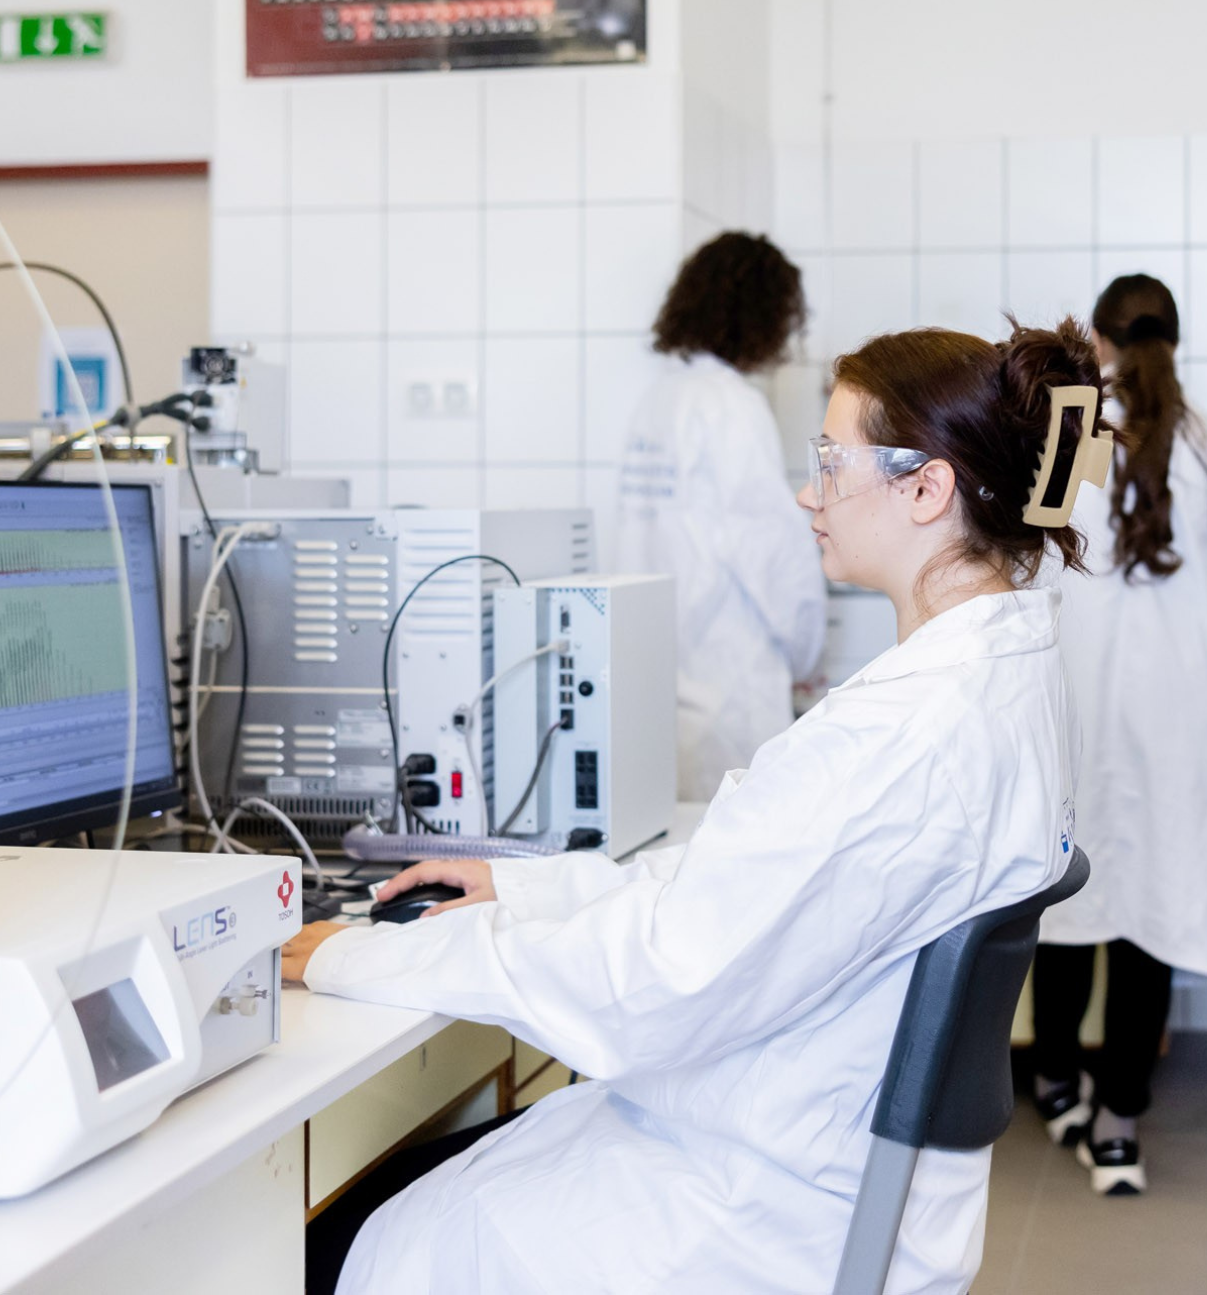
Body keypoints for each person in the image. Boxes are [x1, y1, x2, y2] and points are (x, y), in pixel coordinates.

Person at [284, 317, 1110, 1294]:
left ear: (924, 488)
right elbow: (737, 887)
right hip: (811, 1160)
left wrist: (358, 952)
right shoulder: (992, 671)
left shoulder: (901, 737)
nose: (809, 494)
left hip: (755, 1206)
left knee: (349, 1242)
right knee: (429, 1179)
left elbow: (654, 983)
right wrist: (536, 890)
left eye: (830, 462)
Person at [1030, 275, 1207, 1196]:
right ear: (1170, 343)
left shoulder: (1074, 427)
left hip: (1078, 711)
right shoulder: (1198, 441)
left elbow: (1031, 567)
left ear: (1097, 339)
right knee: (1144, 912)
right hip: (1169, 729)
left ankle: (1054, 1079)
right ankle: (1118, 1125)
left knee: (1066, 898)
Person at [615, 231, 826, 801]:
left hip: (661, 676)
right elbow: (773, 548)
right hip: (729, 682)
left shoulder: (659, 400)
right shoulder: (731, 404)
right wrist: (807, 650)